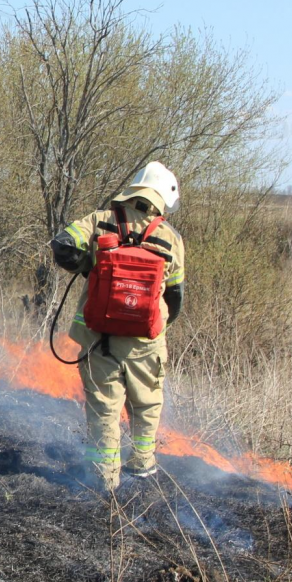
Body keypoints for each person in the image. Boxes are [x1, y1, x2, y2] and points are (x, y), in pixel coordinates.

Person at [48, 162, 186, 492]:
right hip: (146, 343)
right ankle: (142, 466)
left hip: (99, 340)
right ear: (161, 199)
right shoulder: (170, 238)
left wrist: (89, 266)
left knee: (103, 410)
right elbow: (176, 297)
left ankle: (104, 479)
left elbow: (63, 246)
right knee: (147, 403)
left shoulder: (100, 221)